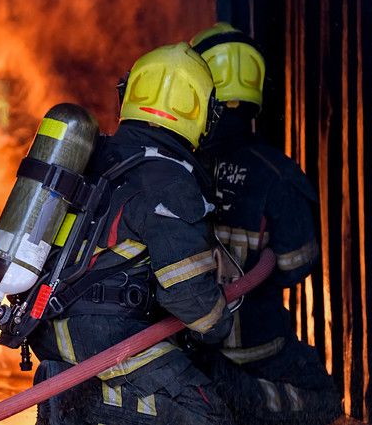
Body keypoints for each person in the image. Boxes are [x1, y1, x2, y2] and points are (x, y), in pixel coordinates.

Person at [28, 43, 235, 425]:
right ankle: (79, 402)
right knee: (207, 414)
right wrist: (219, 325)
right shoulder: (171, 182)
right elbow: (190, 298)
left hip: (49, 325)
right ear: (202, 112)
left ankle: (70, 390)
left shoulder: (98, 154)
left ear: (128, 95)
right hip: (106, 335)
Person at [190, 22, 343, 425]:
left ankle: (220, 396)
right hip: (260, 349)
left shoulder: (177, 169)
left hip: (189, 349)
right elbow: (296, 265)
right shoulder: (277, 173)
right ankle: (245, 399)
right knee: (326, 401)